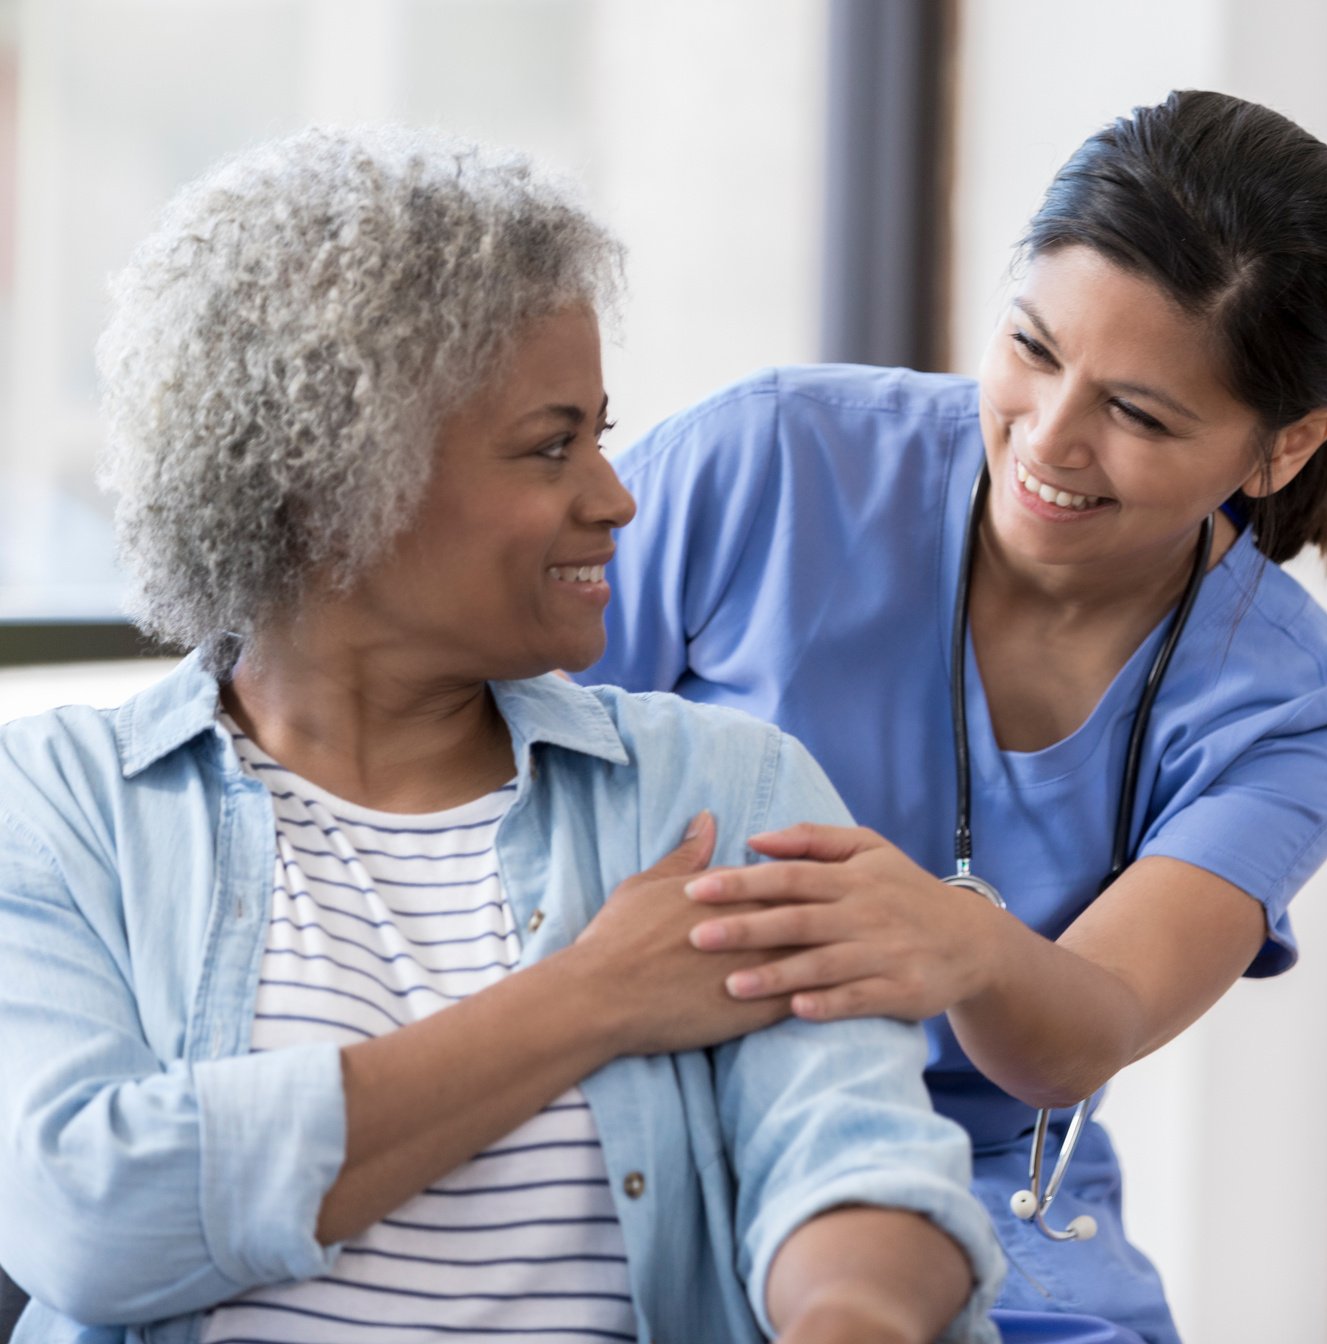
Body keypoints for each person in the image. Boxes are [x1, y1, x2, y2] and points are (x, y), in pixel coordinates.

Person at [0, 126, 1004, 1344]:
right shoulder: (59, 806)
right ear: (334, 491)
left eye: (602, 433)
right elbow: (86, 1219)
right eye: (551, 444)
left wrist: (854, 1320)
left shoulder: (716, 787)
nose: (616, 496)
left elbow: (853, 1152)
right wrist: (591, 998)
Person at [583, 90, 1327, 1344]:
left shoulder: (1295, 707)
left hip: (982, 1189)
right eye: (1031, 349)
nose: (1049, 440)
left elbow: (1085, 1035)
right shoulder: (779, 460)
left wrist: (964, 945)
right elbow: (483, 747)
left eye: (1138, 414)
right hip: (636, 1102)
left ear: (1287, 446)